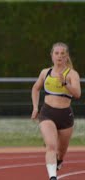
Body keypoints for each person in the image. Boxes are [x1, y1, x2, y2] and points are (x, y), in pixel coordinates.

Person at [31, 42, 81, 180]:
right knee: (51, 145)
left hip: (65, 116)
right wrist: (35, 107)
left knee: (61, 152)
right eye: (56, 53)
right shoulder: (45, 72)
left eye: (62, 54)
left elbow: (77, 94)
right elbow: (35, 88)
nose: (59, 56)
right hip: (47, 113)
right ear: (52, 56)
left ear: (66, 57)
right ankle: (53, 177)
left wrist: (65, 83)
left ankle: (58, 161)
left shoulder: (72, 74)